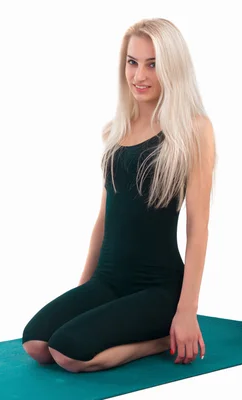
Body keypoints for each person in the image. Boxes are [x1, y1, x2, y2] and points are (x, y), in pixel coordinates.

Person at [21, 18, 217, 373]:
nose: (139, 75)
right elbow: (104, 218)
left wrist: (187, 310)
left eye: (152, 64)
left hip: (156, 288)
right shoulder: (116, 129)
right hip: (108, 280)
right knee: (36, 343)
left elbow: (198, 226)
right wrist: (82, 289)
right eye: (132, 62)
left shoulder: (193, 129)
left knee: (69, 354)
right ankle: (132, 325)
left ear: (172, 67)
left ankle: (159, 340)